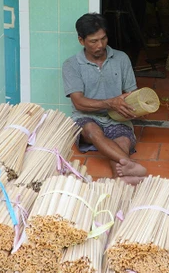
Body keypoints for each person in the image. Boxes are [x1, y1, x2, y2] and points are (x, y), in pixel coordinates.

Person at [62, 13, 148, 184]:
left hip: (116, 118)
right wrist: (110, 103)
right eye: (93, 41)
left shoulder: (121, 58)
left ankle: (120, 181)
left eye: (103, 38)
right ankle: (131, 164)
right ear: (81, 41)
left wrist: (135, 108)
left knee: (122, 142)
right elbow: (78, 102)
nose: (100, 45)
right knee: (93, 131)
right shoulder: (71, 65)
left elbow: (132, 92)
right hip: (86, 118)